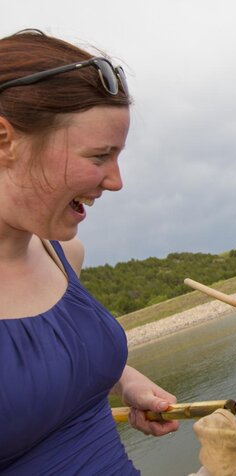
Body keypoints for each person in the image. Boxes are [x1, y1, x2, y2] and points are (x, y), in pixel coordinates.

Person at [0, 30, 179, 475]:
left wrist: (124, 381)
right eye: (100, 156)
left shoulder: (64, 255)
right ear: (5, 139)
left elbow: (49, 359)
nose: (115, 180)